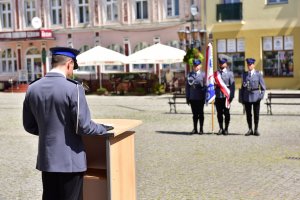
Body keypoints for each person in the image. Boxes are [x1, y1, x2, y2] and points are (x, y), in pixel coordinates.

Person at [22, 47, 114, 200]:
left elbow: (29, 125)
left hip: (47, 160)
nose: (72, 71)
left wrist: (49, 130)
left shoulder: (33, 88)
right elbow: (83, 126)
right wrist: (102, 129)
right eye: (73, 68)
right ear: (69, 63)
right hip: (70, 160)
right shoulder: (73, 88)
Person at [240, 58, 266, 136]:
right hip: (247, 97)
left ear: (253, 65)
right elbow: (242, 87)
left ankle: (256, 129)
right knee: (248, 114)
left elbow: (263, 87)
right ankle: (250, 129)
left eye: (250, 64)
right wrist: (242, 98)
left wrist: (260, 96)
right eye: (248, 64)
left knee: (256, 114)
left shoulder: (258, 74)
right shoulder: (244, 75)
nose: (249, 66)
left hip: (256, 96)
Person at [214, 58, 235, 135]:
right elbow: (213, 84)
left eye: (223, 63)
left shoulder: (230, 74)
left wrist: (231, 96)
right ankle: (220, 128)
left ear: (226, 64)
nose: (221, 65)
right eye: (220, 63)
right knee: (219, 113)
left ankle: (226, 129)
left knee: (226, 113)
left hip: (226, 96)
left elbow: (232, 86)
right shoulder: (216, 74)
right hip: (218, 96)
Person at [186, 59, 206, 134]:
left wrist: (205, 96)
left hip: (200, 97)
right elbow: (187, 87)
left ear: (200, 66)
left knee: (201, 114)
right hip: (192, 97)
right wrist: (187, 97)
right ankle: (195, 128)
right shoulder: (189, 74)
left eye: (197, 65)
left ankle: (201, 129)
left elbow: (206, 86)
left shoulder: (203, 74)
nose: (196, 67)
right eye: (194, 66)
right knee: (194, 114)